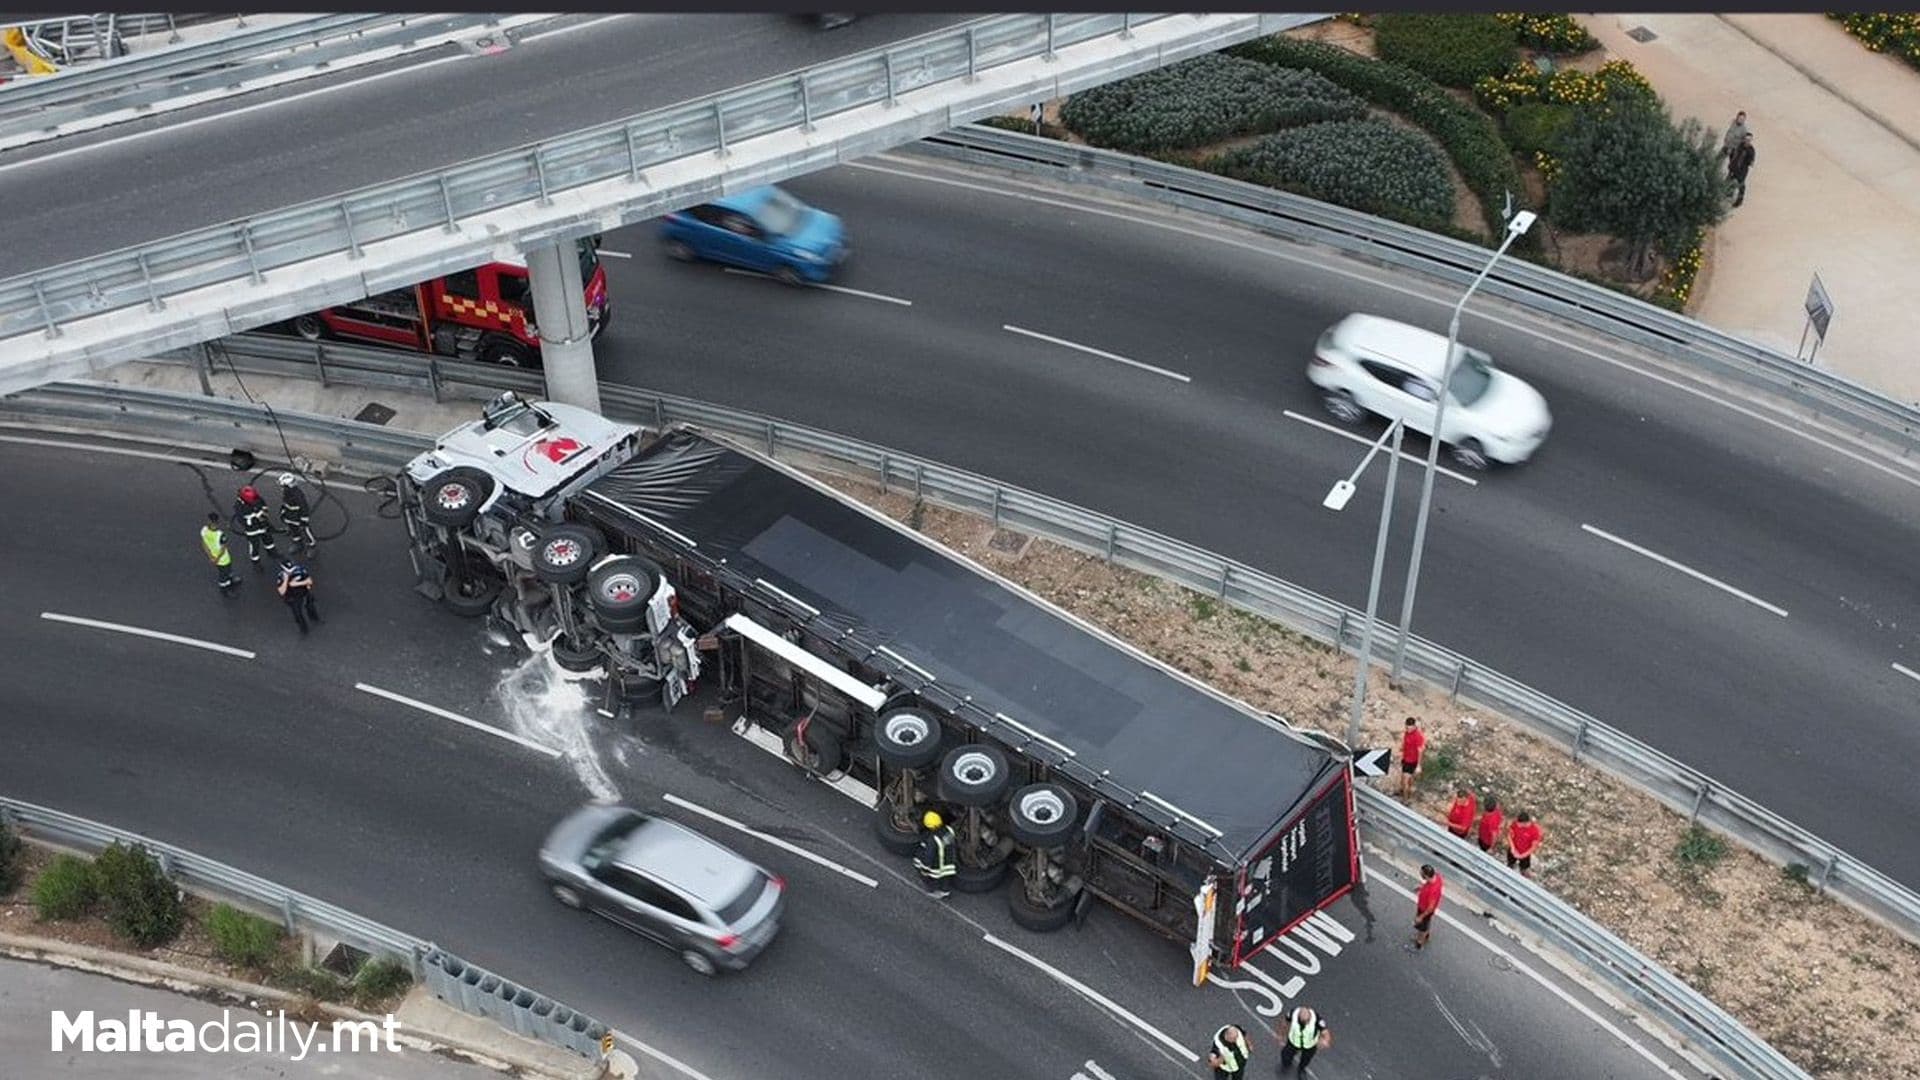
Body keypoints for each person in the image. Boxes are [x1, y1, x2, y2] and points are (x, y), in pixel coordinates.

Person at [913, 810, 955, 899]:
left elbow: (929, 855)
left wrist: (924, 868)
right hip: (950, 861)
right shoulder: (949, 830)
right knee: (946, 879)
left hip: (938, 865)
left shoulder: (932, 839)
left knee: (934, 878)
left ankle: (933, 889)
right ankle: (945, 892)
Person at [1277, 1006, 1331, 1074]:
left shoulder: (1317, 1020)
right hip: (1293, 1042)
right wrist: (1281, 1035)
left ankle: (1301, 1069)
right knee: (1285, 1055)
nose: (1304, 1024)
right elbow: (1285, 1023)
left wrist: (1325, 1041)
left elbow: (1325, 1032)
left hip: (1310, 1045)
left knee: (1306, 1059)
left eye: (1305, 1022)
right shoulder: (1292, 1013)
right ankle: (1286, 1064)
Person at [233, 485, 278, 565]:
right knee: (255, 545)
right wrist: (254, 519)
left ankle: (271, 552)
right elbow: (241, 520)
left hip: (263, 525)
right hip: (252, 530)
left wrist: (263, 515)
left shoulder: (257, 498)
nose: (254, 500)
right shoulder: (238, 505)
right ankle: (256, 561)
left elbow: (264, 506)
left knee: (268, 540)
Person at [276, 557, 321, 635]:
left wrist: (297, 584)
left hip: (304, 593)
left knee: (310, 606)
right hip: (292, 597)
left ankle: (315, 619)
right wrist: (286, 580)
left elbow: (309, 581)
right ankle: (304, 629)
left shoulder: (300, 570)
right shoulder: (281, 576)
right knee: (298, 614)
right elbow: (281, 592)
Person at [277, 472, 315, 551]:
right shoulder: (286, 493)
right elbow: (286, 504)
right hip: (289, 516)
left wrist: (304, 519)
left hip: (297, 516)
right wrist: (283, 512)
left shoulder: (297, 495)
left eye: (283, 486)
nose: (281, 488)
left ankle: (311, 546)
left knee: (305, 531)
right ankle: (298, 543)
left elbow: (304, 507)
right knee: (294, 530)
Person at [201, 512, 236, 592]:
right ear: (217, 522)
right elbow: (223, 549)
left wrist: (211, 557)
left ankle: (230, 578)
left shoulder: (204, 530)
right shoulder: (220, 535)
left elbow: (204, 544)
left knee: (225, 570)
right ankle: (225, 587)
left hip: (213, 556)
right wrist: (217, 559)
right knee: (224, 573)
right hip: (223, 558)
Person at [1413, 863, 1444, 949]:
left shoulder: (1432, 891)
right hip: (1424, 908)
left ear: (1426, 876)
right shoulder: (1437, 877)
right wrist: (1421, 887)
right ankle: (1426, 934)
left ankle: (1419, 942)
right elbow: (1428, 883)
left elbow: (1430, 908)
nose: (1420, 875)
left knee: (1422, 926)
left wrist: (1421, 917)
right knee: (1426, 923)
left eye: (1421, 874)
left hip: (1424, 910)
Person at [1506, 811, 1544, 877]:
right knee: (1510, 863)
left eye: (1519, 824)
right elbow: (1509, 835)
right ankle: (1509, 870)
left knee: (1524, 869)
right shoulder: (1515, 823)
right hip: (1513, 850)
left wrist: (1522, 856)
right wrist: (1512, 848)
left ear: (1524, 823)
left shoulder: (1534, 831)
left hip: (1525, 854)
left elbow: (1533, 847)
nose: (1517, 824)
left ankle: (1524, 875)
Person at [1397, 716, 1425, 799]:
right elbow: (1406, 742)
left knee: (1405, 781)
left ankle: (1405, 799)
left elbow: (1420, 751)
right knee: (1405, 780)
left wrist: (1418, 765)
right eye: (1406, 728)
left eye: (1409, 728)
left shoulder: (1418, 736)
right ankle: (1404, 792)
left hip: (1412, 762)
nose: (1408, 730)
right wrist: (1402, 748)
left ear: (1414, 726)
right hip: (1405, 759)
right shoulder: (1407, 732)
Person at [1727, 133, 1757, 208]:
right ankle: (1729, 194)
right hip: (1734, 167)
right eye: (1746, 139)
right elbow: (1734, 154)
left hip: (1742, 170)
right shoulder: (1740, 145)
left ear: (1751, 140)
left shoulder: (1751, 150)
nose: (1747, 141)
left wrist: (1751, 162)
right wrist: (1731, 163)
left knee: (1741, 184)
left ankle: (1739, 200)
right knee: (1729, 180)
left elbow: (1751, 161)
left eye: (1749, 140)